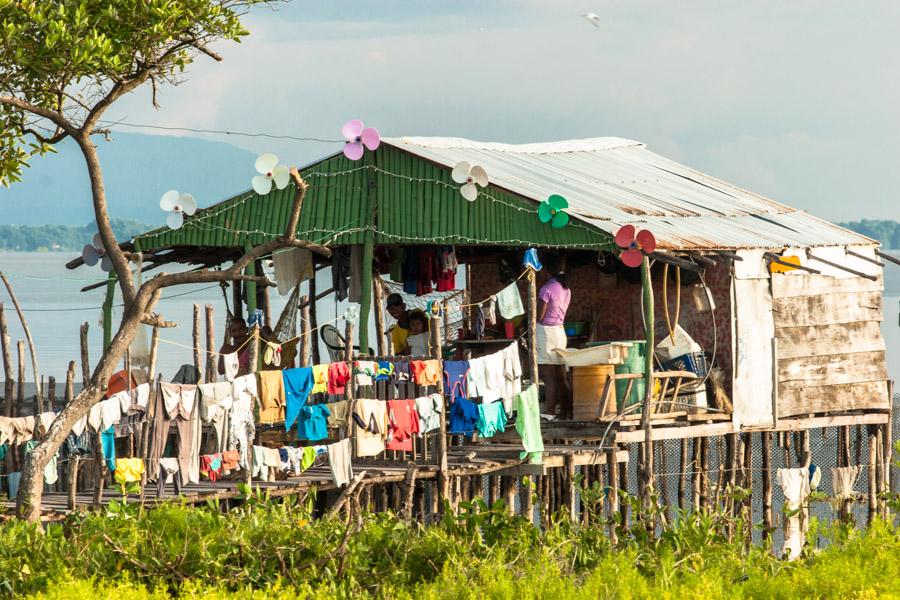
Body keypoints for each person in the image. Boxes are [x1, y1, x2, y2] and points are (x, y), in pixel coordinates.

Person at [536, 271, 572, 418]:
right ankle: (565, 412)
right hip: (559, 332)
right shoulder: (566, 288)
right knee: (561, 376)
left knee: (548, 377)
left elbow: (539, 316)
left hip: (546, 333)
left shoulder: (546, 289)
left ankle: (549, 412)